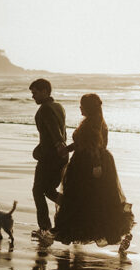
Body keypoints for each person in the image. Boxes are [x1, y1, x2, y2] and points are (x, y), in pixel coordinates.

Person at [53, 93, 134, 251]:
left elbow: (95, 146)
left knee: (88, 202)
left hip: (88, 165)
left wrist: (96, 166)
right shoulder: (92, 121)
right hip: (87, 163)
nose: (80, 108)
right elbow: (80, 143)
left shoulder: (93, 123)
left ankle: (116, 235)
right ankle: (77, 234)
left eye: (82, 105)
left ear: (88, 107)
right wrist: (66, 150)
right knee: (94, 202)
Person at [29, 78, 68, 239]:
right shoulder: (58, 106)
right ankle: (70, 206)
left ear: (45, 91)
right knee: (48, 190)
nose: (33, 97)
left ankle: (45, 228)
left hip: (50, 157)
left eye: (35, 93)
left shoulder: (45, 109)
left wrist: (58, 145)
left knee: (38, 190)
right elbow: (58, 131)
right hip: (60, 156)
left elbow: (54, 131)